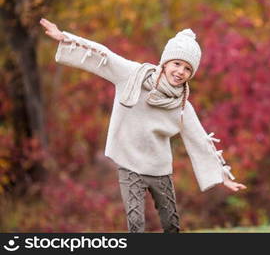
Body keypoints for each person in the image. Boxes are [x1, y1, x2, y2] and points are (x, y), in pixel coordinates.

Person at [39, 18, 247, 233]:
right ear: (165, 62)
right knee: (136, 225)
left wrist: (222, 178)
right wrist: (65, 37)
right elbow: (105, 56)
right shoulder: (133, 75)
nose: (180, 71)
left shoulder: (183, 105)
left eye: (187, 68)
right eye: (177, 63)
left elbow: (199, 141)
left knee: (171, 225)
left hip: (160, 169)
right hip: (130, 165)